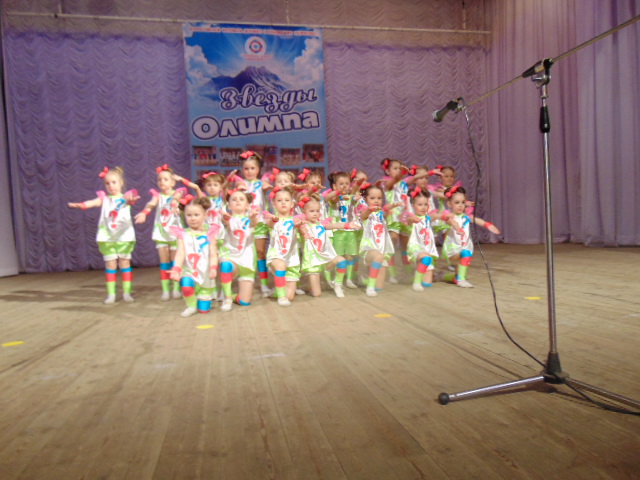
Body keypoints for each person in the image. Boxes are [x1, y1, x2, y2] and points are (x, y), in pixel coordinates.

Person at [68, 166, 139, 304]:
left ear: (121, 183)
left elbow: (131, 199)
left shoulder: (125, 198)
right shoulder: (104, 198)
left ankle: (127, 293)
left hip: (124, 237)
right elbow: (92, 202)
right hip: (107, 237)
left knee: (124, 263)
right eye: (107, 183)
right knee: (110, 265)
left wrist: (131, 198)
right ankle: (111, 294)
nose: (111, 186)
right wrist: (82, 205)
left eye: (114, 182)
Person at [134, 164, 185, 301]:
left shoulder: (178, 192)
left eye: (165, 179)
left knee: (175, 261)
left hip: (175, 233)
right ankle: (165, 290)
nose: (162, 182)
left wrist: (175, 203)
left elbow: (176, 198)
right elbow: (150, 204)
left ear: (173, 182)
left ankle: (176, 288)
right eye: (159, 179)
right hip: (161, 233)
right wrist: (144, 212)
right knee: (164, 262)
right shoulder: (157, 196)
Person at [297, 194, 360, 298]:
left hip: (325, 259)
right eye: (311, 211)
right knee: (316, 294)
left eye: (317, 211)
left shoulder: (321, 224)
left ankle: (337, 284)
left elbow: (334, 225)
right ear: (304, 212)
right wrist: (302, 227)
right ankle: (309, 285)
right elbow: (298, 225)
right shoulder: (303, 225)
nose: (315, 214)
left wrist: (348, 225)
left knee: (341, 260)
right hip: (313, 263)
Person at [440, 186, 500, 288]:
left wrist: (488, 225)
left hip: (464, 246)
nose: (460, 205)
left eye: (463, 202)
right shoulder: (449, 216)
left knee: (462, 265)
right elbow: (453, 223)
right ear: (449, 204)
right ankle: (461, 280)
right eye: (457, 202)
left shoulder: (466, 217)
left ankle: (446, 277)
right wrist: (458, 229)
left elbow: (477, 220)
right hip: (453, 249)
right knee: (466, 254)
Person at [170, 196, 219, 317]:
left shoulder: (210, 233)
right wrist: (176, 268)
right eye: (189, 215)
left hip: (205, 272)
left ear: (204, 215)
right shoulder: (183, 234)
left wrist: (213, 267)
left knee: (204, 310)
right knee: (186, 285)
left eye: (196, 215)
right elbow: (180, 253)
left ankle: (202, 298)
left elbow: (213, 253)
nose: (193, 218)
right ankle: (191, 305)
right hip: (189, 270)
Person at [404, 187, 455, 291]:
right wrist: (412, 219)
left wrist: (445, 216)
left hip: (427, 248)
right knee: (426, 259)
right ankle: (416, 282)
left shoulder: (427, 218)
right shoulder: (412, 218)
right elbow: (408, 220)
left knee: (427, 283)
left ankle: (412, 279)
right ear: (413, 205)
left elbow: (436, 216)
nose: (423, 207)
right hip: (416, 248)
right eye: (420, 205)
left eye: (426, 204)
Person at [237, 151, 272, 297]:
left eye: (253, 168)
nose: (249, 171)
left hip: (260, 223)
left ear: (258, 169)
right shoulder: (241, 184)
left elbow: (267, 187)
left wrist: (267, 186)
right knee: (245, 254)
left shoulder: (262, 183)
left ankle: (264, 284)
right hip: (245, 224)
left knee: (260, 253)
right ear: (242, 170)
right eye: (246, 168)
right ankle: (246, 282)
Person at [217, 189, 259, 312]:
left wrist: (253, 217)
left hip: (246, 261)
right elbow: (225, 221)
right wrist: (225, 218)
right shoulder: (229, 219)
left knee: (245, 302)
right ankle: (228, 298)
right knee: (225, 265)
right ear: (229, 206)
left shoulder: (250, 219)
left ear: (247, 205)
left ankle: (231, 295)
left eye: (241, 199)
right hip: (230, 256)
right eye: (234, 200)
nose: (237, 201)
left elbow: (254, 224)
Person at [357, 184, 402, 297]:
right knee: (378, 257)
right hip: (369, 248)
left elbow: (386, 209)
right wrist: (370, 209)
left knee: (380, 287)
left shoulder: (381, 213)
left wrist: (393, 205)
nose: (376, 201)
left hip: (381, 249)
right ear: (365, 199)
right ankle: (370, 287)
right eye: (372, 198)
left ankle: (366, 281)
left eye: (379, 198)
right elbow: (364, 215)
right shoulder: (365, 214)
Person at [265, 186, 306, 306]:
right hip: (276, 256)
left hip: (291, 259)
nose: (283, 203)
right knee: (280, 265)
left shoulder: (295, 220)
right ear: (274, 204)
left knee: (290, 297)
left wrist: (302, 228)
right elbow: (270, 223)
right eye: (279, 200)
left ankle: (277, 291)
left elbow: (303, 230)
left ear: (292, 204)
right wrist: (273, 220)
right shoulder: (273, 219)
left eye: (287, 200)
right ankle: (281, 297)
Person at [325, 171, 362, 289]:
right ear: (334, 186)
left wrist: (356, 197)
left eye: (347, 183)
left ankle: (349, 279)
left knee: (350, 255)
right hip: (338, 231)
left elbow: (355, 200)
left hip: (351, 232)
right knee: (339, 256)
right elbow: (333, 199)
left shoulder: (351, 197)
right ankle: (336, 278)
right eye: (341, 184)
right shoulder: (334, 198)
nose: (344, 186)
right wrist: (339, 194)